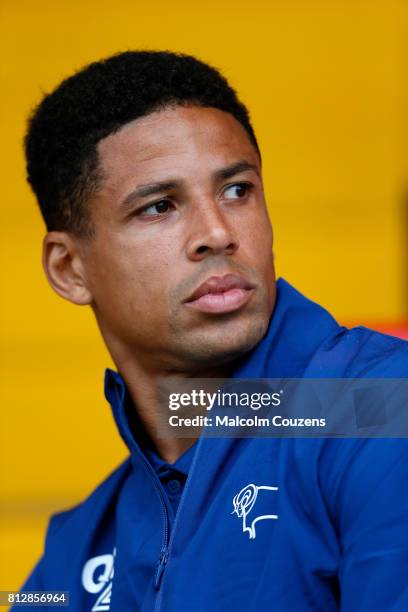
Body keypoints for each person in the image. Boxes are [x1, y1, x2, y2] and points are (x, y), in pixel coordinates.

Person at [17, 51, 407, 611]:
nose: (218, 233)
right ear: (69, 269)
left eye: (236, 190)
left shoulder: (382, 409)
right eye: (159, 207)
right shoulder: (71, 560)